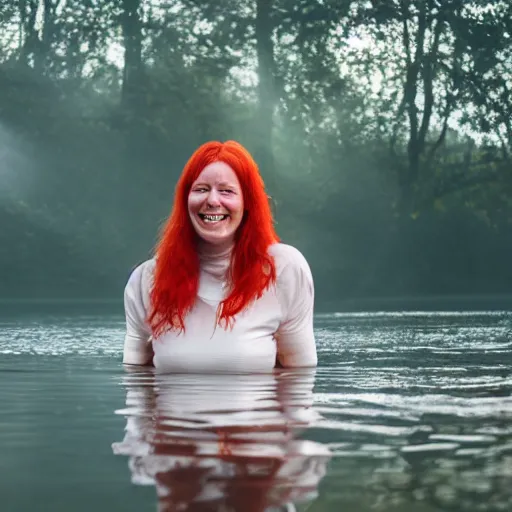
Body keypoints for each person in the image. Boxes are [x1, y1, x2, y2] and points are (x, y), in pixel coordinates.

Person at [123, 140, 317, 372]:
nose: (213, 201)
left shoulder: (284, 269)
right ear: (185, 201)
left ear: (247, 203)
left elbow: (300, 380)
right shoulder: (146, 280)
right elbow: (135, 383)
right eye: (201, 189)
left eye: (226, 191)